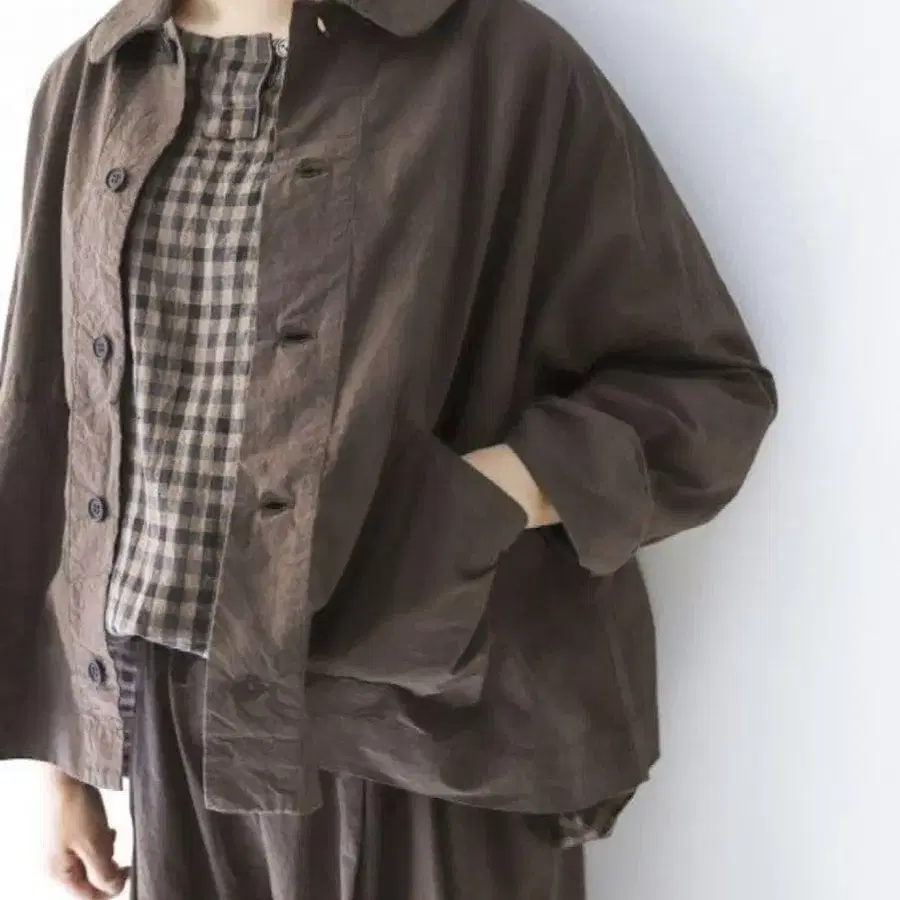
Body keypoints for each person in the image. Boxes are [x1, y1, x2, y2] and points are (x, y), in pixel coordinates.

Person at [0, 0, 777, 897]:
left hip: (416, 713)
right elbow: (53, 415)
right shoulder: (92, 83)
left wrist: (484, 499)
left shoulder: (498, 66)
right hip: (172, 726)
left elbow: (703, 384)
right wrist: (70, 766)